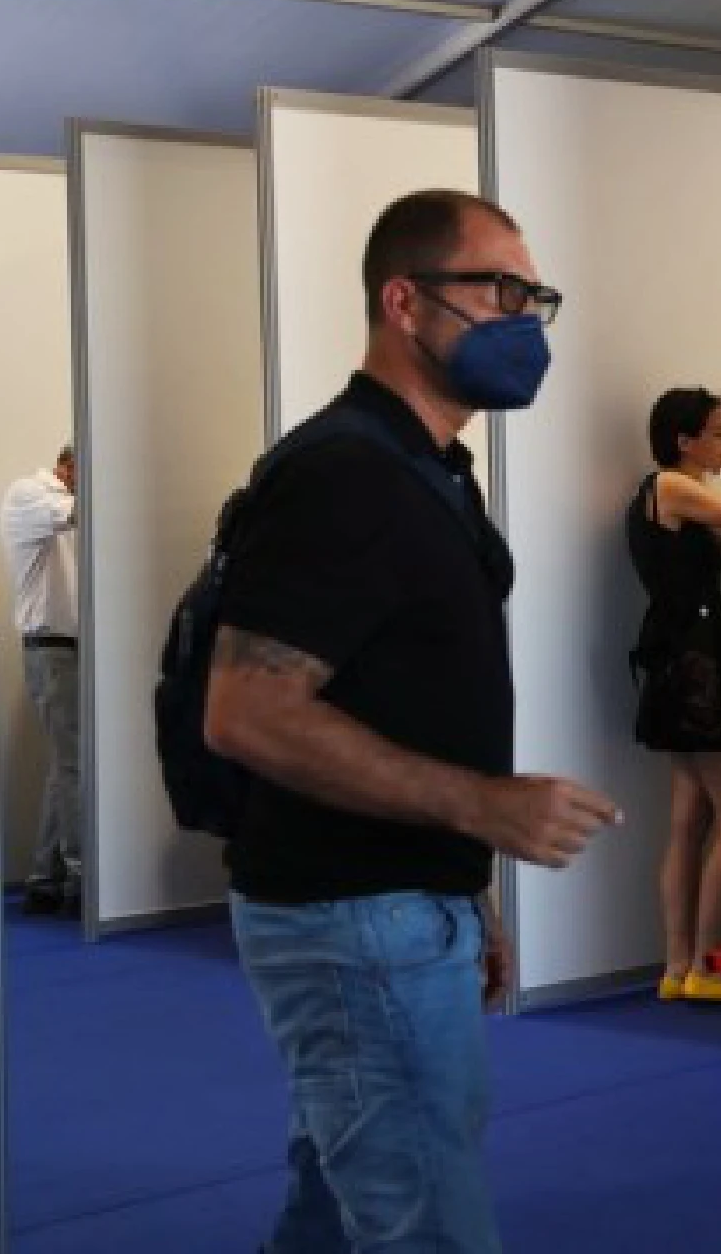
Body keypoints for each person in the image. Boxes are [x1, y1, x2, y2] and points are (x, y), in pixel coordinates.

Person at [204, 189, 622, 1254]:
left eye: (535, 295)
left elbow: (400, 697)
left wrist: (461, 878)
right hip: (348, 922)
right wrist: (481, 805)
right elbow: (248, 711)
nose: (524, 319)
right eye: (500, 289)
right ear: (403, 301)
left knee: (339, 1206)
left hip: (396, 903)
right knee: (425, 1222)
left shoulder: (425, 469)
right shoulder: (342, 476)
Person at [628, 387, 721, 1005]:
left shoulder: (681, 501)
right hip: (699, 664)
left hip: (677, 658)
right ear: (685, 440)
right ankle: (713, 963)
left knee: (689, 815)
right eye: (720, 434)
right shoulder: (673, 487)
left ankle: (679, 966)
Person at [0, 444, 81, 917]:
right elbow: (75, 512)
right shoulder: (31, 494)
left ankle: (45, 878)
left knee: (65, 766)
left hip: (70, 650)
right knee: (74, 766)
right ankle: (80, 878)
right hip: (52, 651)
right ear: (68, 466)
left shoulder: (63, 503)